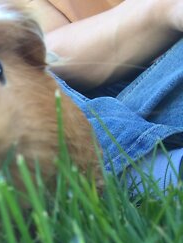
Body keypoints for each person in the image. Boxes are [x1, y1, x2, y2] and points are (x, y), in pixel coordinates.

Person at [30, 0, 183, 194]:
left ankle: (145, 170)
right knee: (9, 74)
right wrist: (162, 9)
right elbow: (40, 58)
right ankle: (150, 168)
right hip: (105, 105)